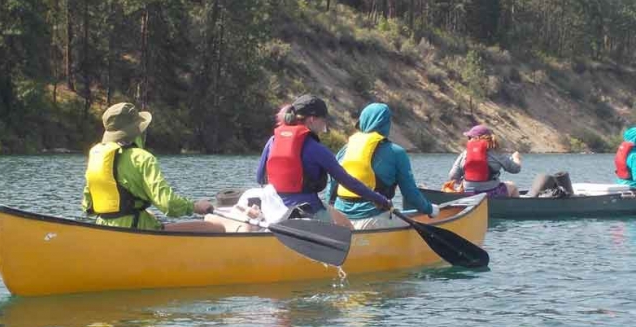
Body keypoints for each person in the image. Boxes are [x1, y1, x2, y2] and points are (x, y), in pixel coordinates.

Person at [81, 102, 222, 231]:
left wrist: (136, 209)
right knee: (214, 228)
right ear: (137, 132)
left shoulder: (95, 155)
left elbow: (87, 204)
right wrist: (195, 206)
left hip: (103, 228)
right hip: (135, 230)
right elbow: (168, 204)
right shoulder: (142, 158)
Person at [255, 94, 391, 223]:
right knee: (344, 226)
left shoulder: (272, 141)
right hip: (309, 211)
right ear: (312, 119)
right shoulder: (316, 148)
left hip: (274, 209)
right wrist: (380, 200)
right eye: (323, 120)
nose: (323, 126)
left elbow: (260, 178)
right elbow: (348, 182)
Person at [327, 103, 441, 229]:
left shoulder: (344, 150)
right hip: (373, 219)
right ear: (386, 124)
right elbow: (410, 194)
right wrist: (430, 209)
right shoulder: (396, 152)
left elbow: (331, 189)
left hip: (340, 220)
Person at [447, 124, 522, 197]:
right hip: (491, 193)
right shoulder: (496, 153)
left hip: (469, 192)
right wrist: (516, 158)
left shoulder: (465, 154)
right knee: (512, 186)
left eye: (469, 137)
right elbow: (515, 169)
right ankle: (511, 209)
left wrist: (463, 184)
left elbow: (452, 176)